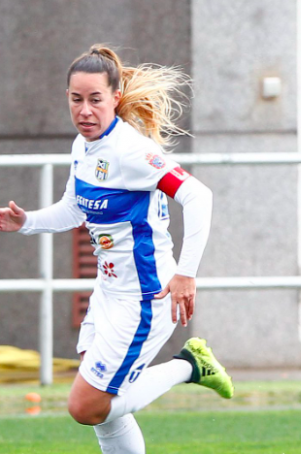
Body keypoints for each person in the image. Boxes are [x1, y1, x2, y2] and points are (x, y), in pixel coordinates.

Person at [0, 45, 233, 454]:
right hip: (108, 294)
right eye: (76, 99)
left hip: (145, 298)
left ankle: (189, 365)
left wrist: (186, 273)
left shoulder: (132, 152)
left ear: (115, 99)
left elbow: (198, 196)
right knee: (107, 412)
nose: (84, 110)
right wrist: (27, 222)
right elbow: (75, 209)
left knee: (86, 406)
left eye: (95, 99)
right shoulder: (82, 146)